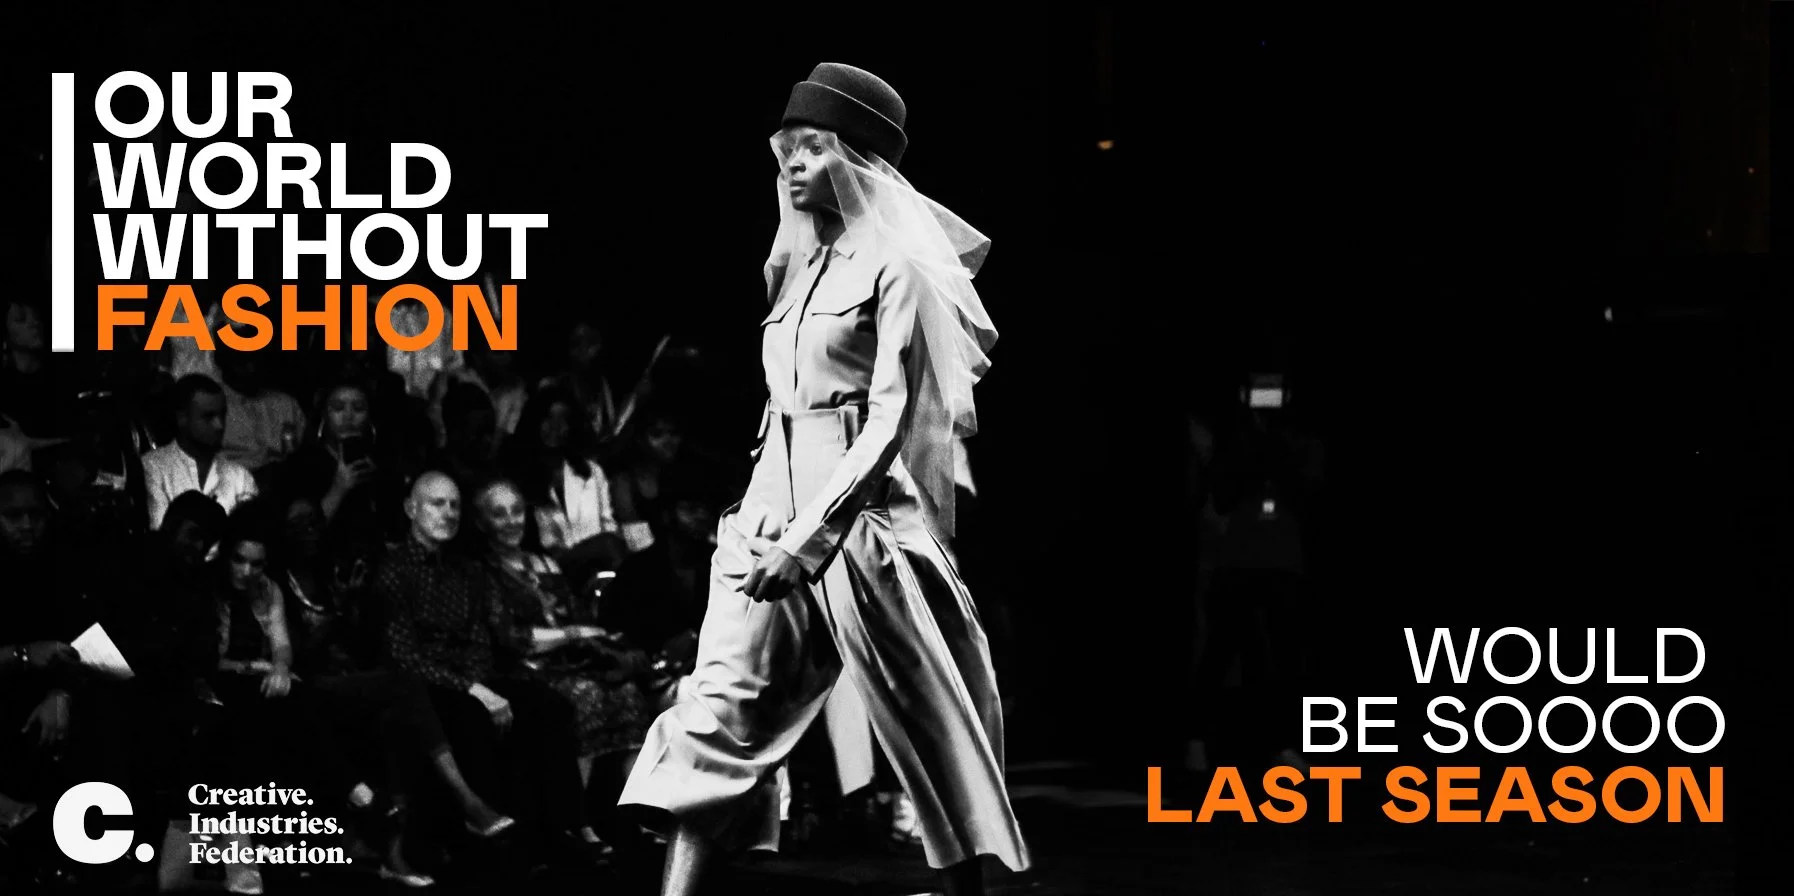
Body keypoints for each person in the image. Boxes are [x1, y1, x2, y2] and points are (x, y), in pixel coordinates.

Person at [618, 63, 1028, 896]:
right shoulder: (798, 263)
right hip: (768, 510)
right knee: (721, 706)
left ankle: (968, 889)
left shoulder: (898, 265)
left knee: (926, 719)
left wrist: (809, 542)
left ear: (860, 159)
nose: (795, 163)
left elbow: (887, 419)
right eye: (789, 147)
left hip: (862, 522)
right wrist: (762, 522)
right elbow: (783, 405)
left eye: (816, 147)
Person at [373, 472, 596, 867]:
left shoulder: (466, 569)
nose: (448, 513)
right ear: (411, 509)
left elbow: (483, 638)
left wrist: (486, 684)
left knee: (549, 705)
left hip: (477, 676)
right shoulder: (394, 570)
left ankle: (562, 829)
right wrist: (473, 688)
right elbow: (403, 655)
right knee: (472, 716)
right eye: (437, 504)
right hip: (427, 684)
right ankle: (495, 844)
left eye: (454, 505)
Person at [141, 375, 258, 531]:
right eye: (208, 417)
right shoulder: (153, 467)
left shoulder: (240, 476)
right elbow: (161, 532)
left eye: (222, 415)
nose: (219, 425)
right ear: (182, 418)